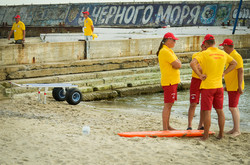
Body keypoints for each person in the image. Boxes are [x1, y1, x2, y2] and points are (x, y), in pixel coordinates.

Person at [190, 34, 237, 140]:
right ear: (214, 42)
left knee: (207, 111)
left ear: (206, 43)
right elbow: (234, 63)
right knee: (220, 111)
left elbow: (192, 63)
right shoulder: (222, 53)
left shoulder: (205, 53)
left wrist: (200, 75)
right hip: (219, 86)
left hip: (208, 87)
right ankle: (221, 134)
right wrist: (224, 73)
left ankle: (205, 136)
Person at [157, 32, 182, 130]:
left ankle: (167, 125)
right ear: (168, 40)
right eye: (174, 40)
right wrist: (177, 63)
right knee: (168, 104)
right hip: (169, 81)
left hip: (172, 81)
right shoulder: (165, 51)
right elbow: (178, 64)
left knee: (170, 104)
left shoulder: (169, 51)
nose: (175, 42)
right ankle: (165, 128)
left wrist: (177, 63)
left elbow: (178, 63)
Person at [220, 39, 244, 137]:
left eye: (223, 46)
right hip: (231, 86)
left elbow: (241, 71)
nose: (223, 48)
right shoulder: (230, 56)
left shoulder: (236, 56)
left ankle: (237, 130)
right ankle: (235, 128)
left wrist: (239, 86)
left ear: (227, 46)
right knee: (234, 107)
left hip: (235, 86)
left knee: (232, 107)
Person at [187, 41, 207, 130]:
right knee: (193, 103)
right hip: (196, 80)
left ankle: (201, 125)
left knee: (204, 104)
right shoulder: (196, 55)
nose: (205, 48)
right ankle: (189, 125)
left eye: (207, 46)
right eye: (204, 46)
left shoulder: (209, 56)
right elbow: (199, 68)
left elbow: (201, 68)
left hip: (205, 81)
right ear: (201, 46)